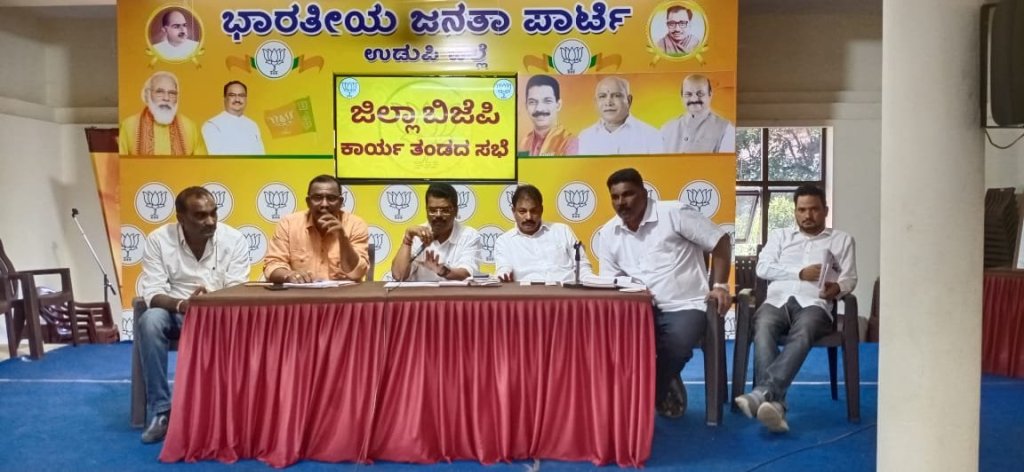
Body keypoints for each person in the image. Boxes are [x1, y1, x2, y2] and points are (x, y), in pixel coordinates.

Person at [595, 168, 731, 418]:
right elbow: (610, 280)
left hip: (685, 305)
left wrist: (720, 286)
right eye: (615, 197)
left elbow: (720, 241)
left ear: (644, 193)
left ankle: (637, 407)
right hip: (639, 309)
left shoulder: (674, 213)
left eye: (628, 194)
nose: (621, 202)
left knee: (676, 342)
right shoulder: (608, 233)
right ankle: (664, 380)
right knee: (605, 342)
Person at [734, 185, 857, 433]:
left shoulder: (842, 240)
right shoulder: (780, 236)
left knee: (805, 330)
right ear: (795, 212)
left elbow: (850, 278)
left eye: (814, 209)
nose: (807, 215)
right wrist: (799, 273)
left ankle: (763, 393)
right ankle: (775, 403)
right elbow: (763, 268)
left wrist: (838, 288)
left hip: (815, 304)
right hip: (777, 301)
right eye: (801, 210)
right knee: (763, 327)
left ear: (825, 211)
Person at [136, 186, 250, 443]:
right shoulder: (158, 240)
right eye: (200, 216)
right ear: (181, 218)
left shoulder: (234, 240)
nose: (210, 221)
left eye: (213, 213)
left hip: (220, 316)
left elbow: (237, 289)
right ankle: (162, 411)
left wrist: (209, 301)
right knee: (150, 320)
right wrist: (184, 305)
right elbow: (152, 293)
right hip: (177, 313)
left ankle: (232, 410)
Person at [264, 175, 370, 283]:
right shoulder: (288, 224)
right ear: (308, 202)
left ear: (340, 202)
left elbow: (357, 273)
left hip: (343, 293)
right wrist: (289, 275)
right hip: (300, 292)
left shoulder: (355, 225)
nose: (324, 204)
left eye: (331, 198)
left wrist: (343, 238)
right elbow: (272, 265)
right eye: (317, 198)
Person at [493, 184, 593, 283]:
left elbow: (582, 266)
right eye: (522, 211)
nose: (528, 217)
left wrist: (590, 281)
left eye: (534, 211)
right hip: (527, 291)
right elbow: (503, 269)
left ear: (541, 210)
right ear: (513, 211)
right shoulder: (504, 241)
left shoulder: (562, 231)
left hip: (566, 289)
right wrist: (504, 274)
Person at [390, 183, 481, 281]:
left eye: (445, 210)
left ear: (456, 211)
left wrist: (442, 270)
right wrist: (407, 239)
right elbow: (399, 276)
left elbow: (467, 274)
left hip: (456, 291)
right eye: (433, 210)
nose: (438, 215)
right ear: (426, 211)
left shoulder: (469, 236)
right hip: (421, 291)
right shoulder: (416, 235)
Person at [119, 71, 206, 155]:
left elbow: (202, 164)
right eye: (159, 92)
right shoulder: (128, 126)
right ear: (147, 94)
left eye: (172, 93)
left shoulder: (190, 127)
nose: (166, 98)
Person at [578, 77, 663, 155]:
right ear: (595, 102)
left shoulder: (651, 136)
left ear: (629, 100)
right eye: (602, 96)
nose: (608, 102)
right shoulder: (584, 137)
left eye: (616, 95)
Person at [661, 74, 736, 154]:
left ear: (710, 94)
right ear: (681, 96)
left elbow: (726, 161)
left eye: (700, 94)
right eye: (688, 94)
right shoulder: (667, 128)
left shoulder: (726, 128)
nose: (694, 99)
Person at [520, 75, 578, 156]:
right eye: (532, 102)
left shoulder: (570, 143)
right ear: (526, 106)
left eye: (547, 101)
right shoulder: (524, 142)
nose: (539, 109)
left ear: (558, 105)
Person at [202, 81, 266, 155]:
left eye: (241, 95)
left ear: (246, 99)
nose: (237, 99)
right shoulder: (213, 125)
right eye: (232, 95)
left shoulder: (252, 125)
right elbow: (215, 158)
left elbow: (261, 155)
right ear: (225, 98)